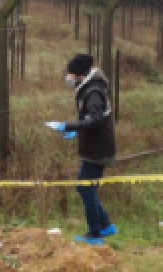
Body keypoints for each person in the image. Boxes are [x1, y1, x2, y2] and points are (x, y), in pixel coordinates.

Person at [46, 54, 118, 246]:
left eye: (70, 73)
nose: (68, 77)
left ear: (79, 74)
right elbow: (91, 120)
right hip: (94, 146)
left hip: (98, 150)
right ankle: (105, 225)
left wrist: (68, 126)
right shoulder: (89, 88)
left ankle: (95, 234)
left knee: (86, 189)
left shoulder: (93, 91)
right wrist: (78, 130)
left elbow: (95, 120)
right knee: (84, 187)